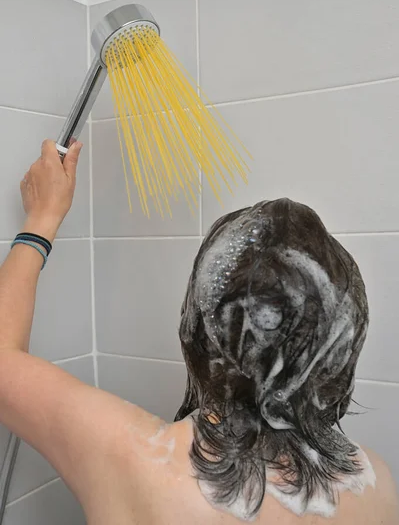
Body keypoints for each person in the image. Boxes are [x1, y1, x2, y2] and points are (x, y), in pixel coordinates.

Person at [0, 139, 397, 525]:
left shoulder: (135, 461)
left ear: (199, 332)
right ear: (341, 347)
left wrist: (42, 219)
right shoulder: (377, 487)